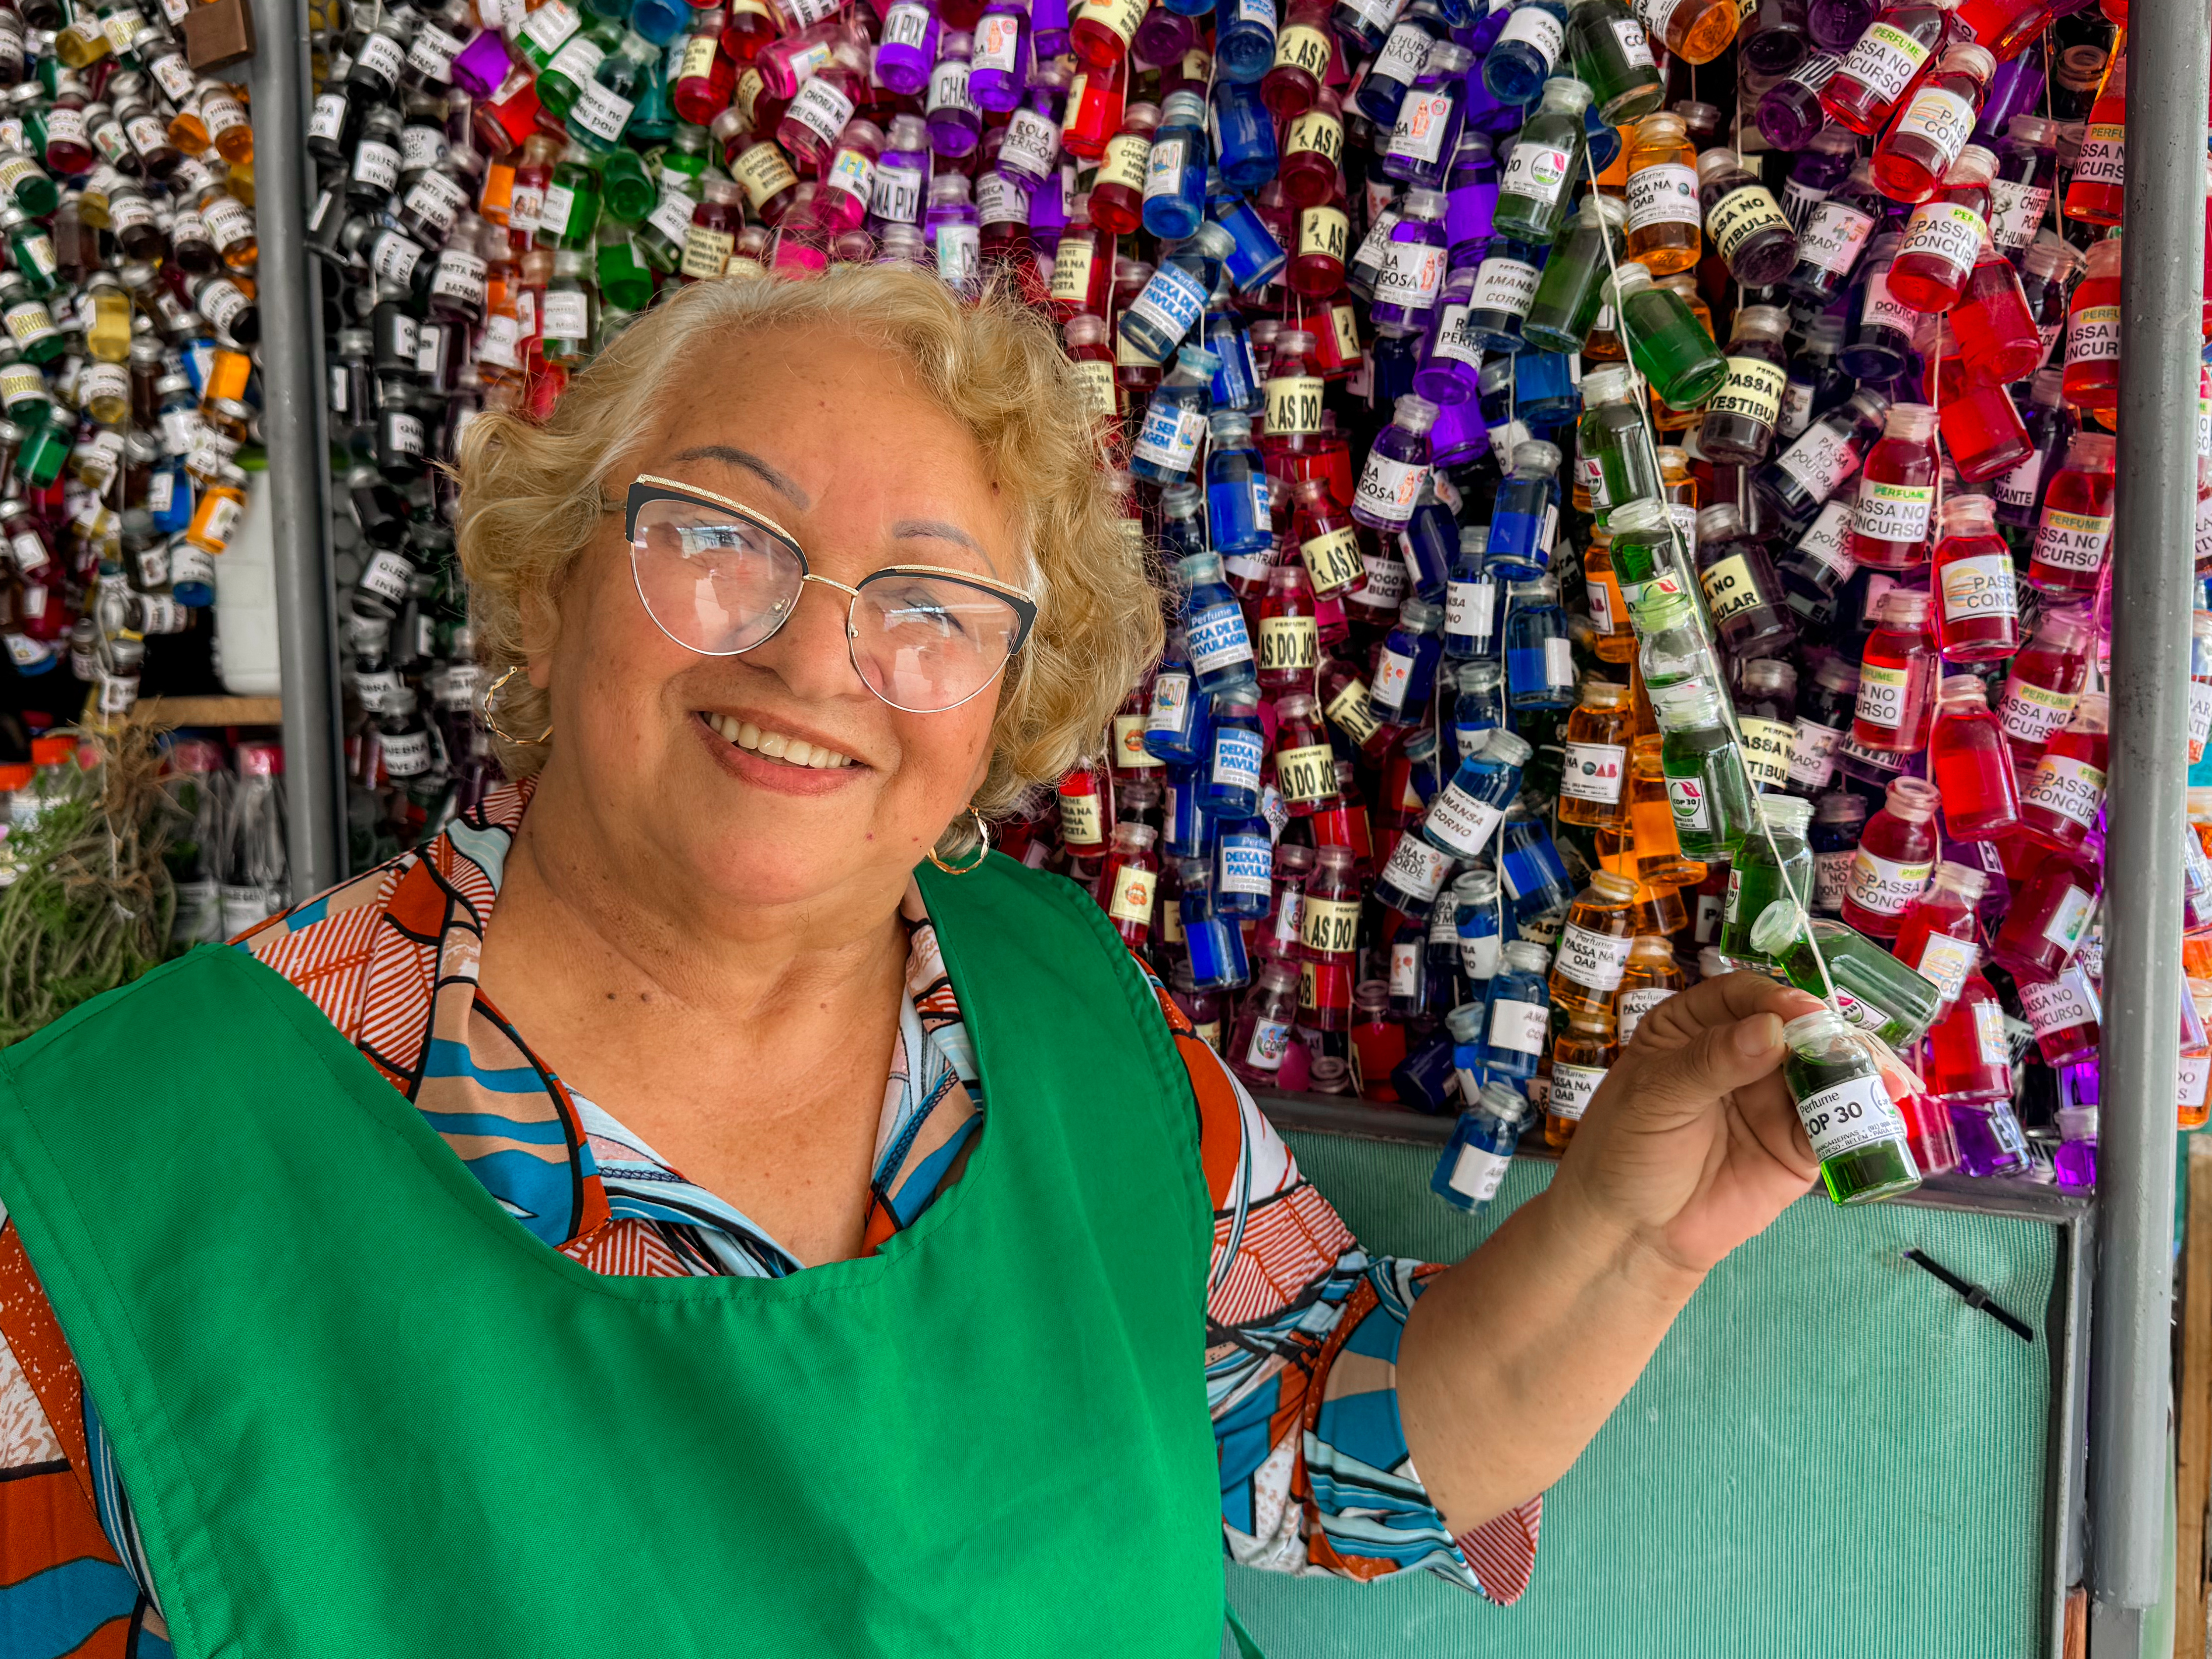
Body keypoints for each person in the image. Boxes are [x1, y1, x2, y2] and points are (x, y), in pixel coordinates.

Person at [0, 267, 1828, 1657]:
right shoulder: (100, 1190)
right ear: (551, 591)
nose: (814, 660)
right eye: (723, 541)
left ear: (1002, 715)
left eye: (928, 605)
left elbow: (1334, 1447)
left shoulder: (1067, 1017)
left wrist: (1634, 1229)